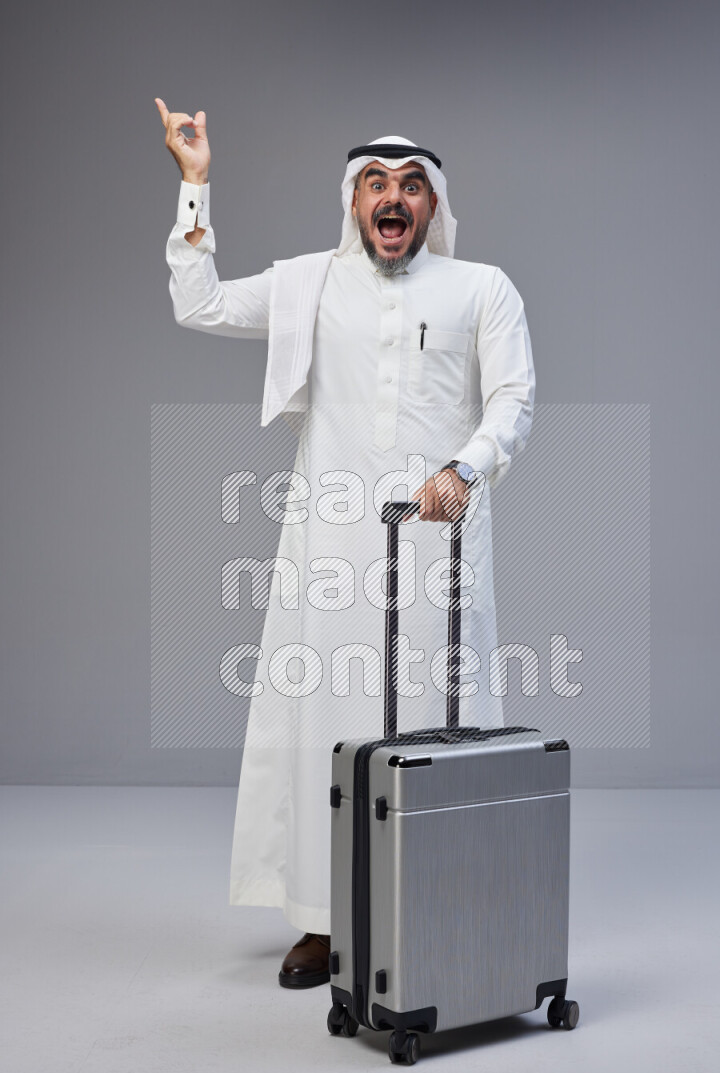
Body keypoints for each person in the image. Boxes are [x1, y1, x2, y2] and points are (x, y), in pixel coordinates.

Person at [155, 99, 536, 989]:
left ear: (433, 205)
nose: (392, 198)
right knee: (325, 724)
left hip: (440, 546)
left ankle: (440, 903)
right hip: (329, 549)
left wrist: (466, 468)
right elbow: (198, 302)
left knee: (444, 726)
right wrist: (195, 183)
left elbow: (514, 399)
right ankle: (325, 922)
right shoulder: (308, 284)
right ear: (354, 201)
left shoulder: (483, 287)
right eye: (375, 183)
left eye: (410, 185)